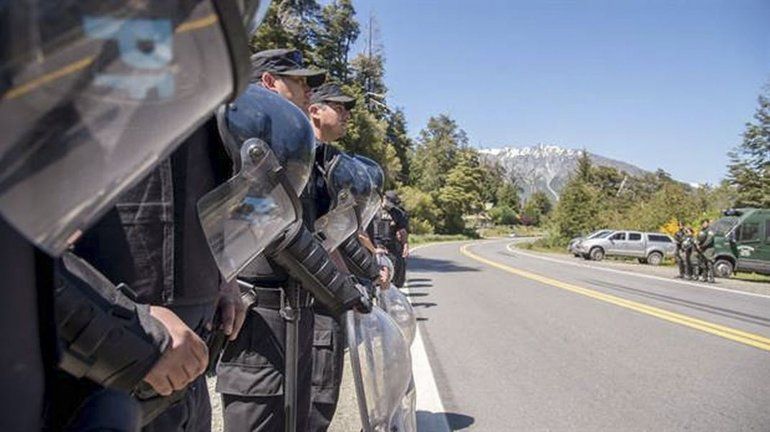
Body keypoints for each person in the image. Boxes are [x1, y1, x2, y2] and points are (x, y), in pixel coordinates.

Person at [0, 1, 271, 430]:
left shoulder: (204, 94)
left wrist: (224, 276)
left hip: (186, 372)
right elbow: (18, 250)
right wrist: (135, 329)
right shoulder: (55, 62)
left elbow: (206, 209)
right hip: (91, 376)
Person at [217, 50, 371, 432]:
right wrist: (344, 290)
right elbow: (273, 228)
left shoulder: (293, 148)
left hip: (299, 313)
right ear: (269, 82)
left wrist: (359, 276)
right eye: (300, 82)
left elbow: (326, 235)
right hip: (260, 317)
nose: (309, 91)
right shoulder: (239, 136)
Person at [305, 82, 357, 432]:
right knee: (314, 394)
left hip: (323, 286)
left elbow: (335, 233)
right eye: (339, 108)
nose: (347, 115)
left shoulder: (328, 161)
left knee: (322, 391)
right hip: (307, 291)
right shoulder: (296, 154)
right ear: (315, 110)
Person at [372, 191, 410, 288]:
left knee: (398, 264)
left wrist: (405, 245)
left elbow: (402, 231)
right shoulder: (373, 210)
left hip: (391, 243)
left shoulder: (398, 213)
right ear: (384, 198)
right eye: (390, 202)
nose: (391, 205)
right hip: (375, 243)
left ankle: (395, 287)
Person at [695, 219, 716, 283]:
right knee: (703, 263)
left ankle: (712, 278)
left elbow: (709, 240)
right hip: (702, 249)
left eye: (705, 223)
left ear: (708, 223)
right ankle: (704, 277)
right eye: (703, 223)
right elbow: (698, 238)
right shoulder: (702, 230)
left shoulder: (710, 230)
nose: (704, 224)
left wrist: (702, 246)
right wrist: (697, 245)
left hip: (709, 249)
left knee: (709, 263)